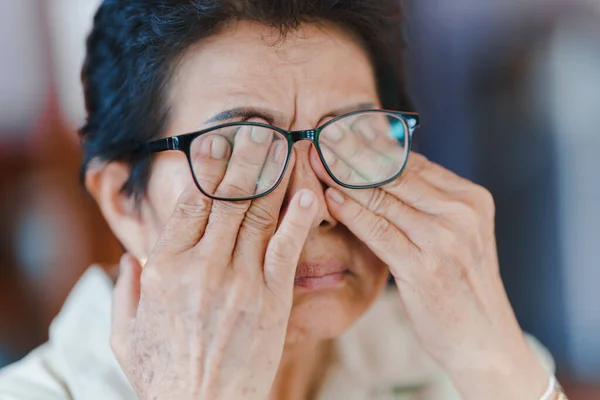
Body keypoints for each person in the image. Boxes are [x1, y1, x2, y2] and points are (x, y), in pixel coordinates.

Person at [0, 1, 568, 399]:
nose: (313, 206)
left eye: (351, 136)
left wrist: (494, 366)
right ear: (124, 202)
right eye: (242, 151)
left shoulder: (462, 356)